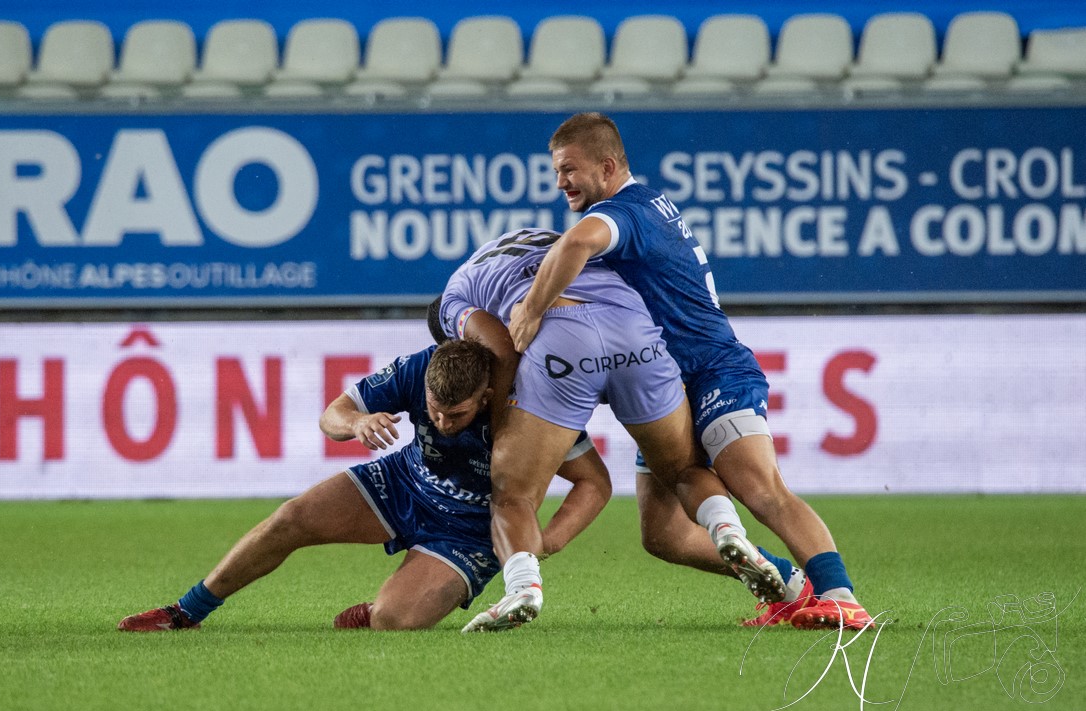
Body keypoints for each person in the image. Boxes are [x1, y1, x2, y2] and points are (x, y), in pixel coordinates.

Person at [508, 112, 874, 631]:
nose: (561, 182)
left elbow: (574, 243)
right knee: (663, 534)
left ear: (607, 167)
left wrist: (531, 310)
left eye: (569, 169)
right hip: (663, 385)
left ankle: (841, 597)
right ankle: (790, 587)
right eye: (556, 171)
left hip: (713, 371)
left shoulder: (624, 212)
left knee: (759, 488)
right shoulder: (646, 204)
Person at [117, 339, 612, 632]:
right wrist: (356, 423)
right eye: (433, 409)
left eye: (456, 414)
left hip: (473, 533)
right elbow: (332, 414)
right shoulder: (420, 367)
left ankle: (377, 611)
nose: (441, 422)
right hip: (404, 481)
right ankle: (185, 612)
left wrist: (547, 541)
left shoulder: (534, 411)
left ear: (486, 397)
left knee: (395, 621)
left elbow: (594, 483)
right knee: (291, 518)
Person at [438, 228, 785, 633]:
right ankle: (726, 527)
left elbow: (499, 346)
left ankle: (522, 588)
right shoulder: (542, 241)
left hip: (561, 340)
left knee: (514, 494)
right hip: (634, 330)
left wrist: (503, 428)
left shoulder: (452, 299)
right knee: (682, 470)